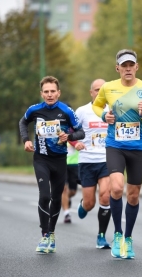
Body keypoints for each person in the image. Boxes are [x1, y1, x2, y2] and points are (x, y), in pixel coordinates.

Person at [92, 49, 142, 259]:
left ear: (136, 67)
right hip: (115, 145)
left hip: (138, 148)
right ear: (118, 68)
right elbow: (96, 106)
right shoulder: (108, 87)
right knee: (116, 188)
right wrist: (105, 115)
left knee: (133, 194)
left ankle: (128, 238)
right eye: (124, 65)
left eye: (131, 65)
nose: (128, 69)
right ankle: (118, 235)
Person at [19, 76, 85, 254]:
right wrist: (25, 140)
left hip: (60, 160)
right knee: (45, 196)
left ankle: (52, 233)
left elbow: (81, 132)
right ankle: (45, 234)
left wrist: (69, 137)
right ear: (42, 93)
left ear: (58, 93)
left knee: (56, 199)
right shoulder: (34, 110)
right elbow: (23, 122)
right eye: (46, 92)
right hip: (41, 159)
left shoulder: (66, 111)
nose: (49, 95)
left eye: (52, 91)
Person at [76, 78, 112, 249]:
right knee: (90, 204)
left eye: (102, 89)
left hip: (107, 160)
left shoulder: (113, 110)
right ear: (91, 92)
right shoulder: (82, 111)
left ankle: (101, 236)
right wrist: (76, 144)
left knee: (105, 196)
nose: (99, 92)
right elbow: (70, 131)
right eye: (96, 89)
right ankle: (84, 204)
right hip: (87, 161)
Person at [61, 141, 79, 223]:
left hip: (75, 163)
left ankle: (66, 198)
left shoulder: (75, 130)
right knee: (64, 189)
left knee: (73, 191)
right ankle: (66, 213)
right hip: (62, 163)